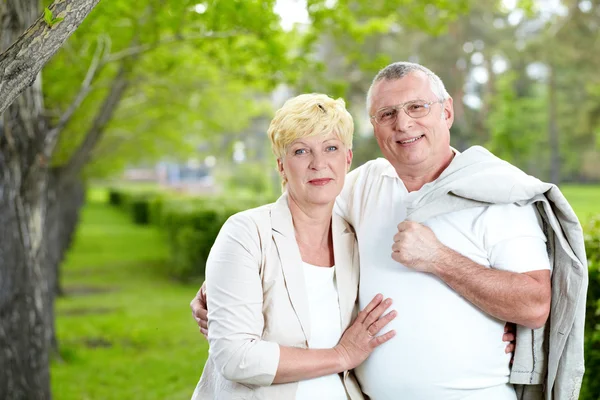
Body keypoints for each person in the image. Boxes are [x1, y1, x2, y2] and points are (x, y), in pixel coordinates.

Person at [193, 62, 587, 400]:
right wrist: (218, 291)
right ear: (375, 128)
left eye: (417, 107)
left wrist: (440, 259)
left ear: (446, 111)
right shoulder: (362, 186)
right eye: (387, 114)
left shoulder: (497, 193)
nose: (404, 124)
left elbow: (535, 305)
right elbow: (295, 213)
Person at [190, 93, 397, 400]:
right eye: (301, 151)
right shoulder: (246, 233)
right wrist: (341, 355)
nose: (319, 163)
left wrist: (495, 317)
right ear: (282, 166)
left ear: (347, 159)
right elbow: (236, 357)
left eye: (331, 148)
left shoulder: (356, 239)